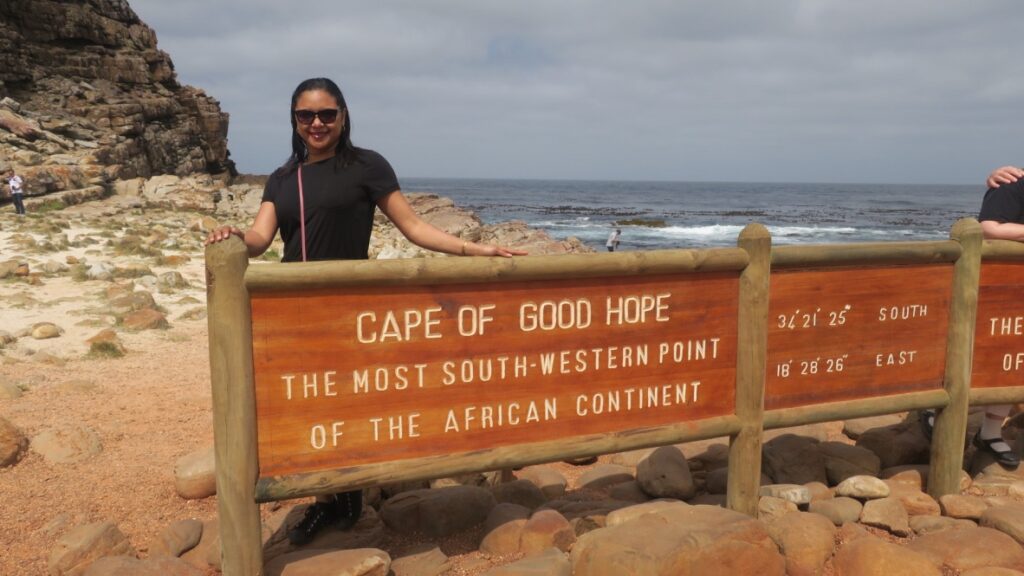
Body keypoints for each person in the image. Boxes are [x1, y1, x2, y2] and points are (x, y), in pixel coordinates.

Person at [206, 77, 526, 545]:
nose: (317, 123)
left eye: (327, 114)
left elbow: (413, 226)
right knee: (305, 407)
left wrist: (473, 249)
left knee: (342, 406)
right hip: (293, 311)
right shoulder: (282, 178)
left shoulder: (366, 166)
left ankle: (346, 495)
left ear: (343, 116)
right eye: (306, 115)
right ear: (294, 121)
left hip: (345, 309)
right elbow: (259, 239)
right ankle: (327, 499)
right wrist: (233, 235)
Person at [921, 167, 1024, 469]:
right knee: (993, 351)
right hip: (1000, 285)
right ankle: (936, 405)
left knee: (1013, 358)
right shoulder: (1012, 183)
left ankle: (989, 432)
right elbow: (988, 227)